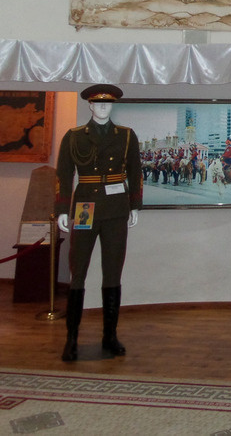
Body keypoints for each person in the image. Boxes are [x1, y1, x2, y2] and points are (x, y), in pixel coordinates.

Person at [55, 84, 143, 362]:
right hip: (85, 207)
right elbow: (64, 174)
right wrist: (62, 210)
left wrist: (135, 205)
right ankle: (71, 339)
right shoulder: (74, 136)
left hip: (116, 209)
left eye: (108, 104)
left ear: (112, 106)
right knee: (78, 270)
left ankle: (110, 336)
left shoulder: (126, 136)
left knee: (113, 271)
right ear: (90, 106)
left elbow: (135, 171)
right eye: (98, 103)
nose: (104, 107)